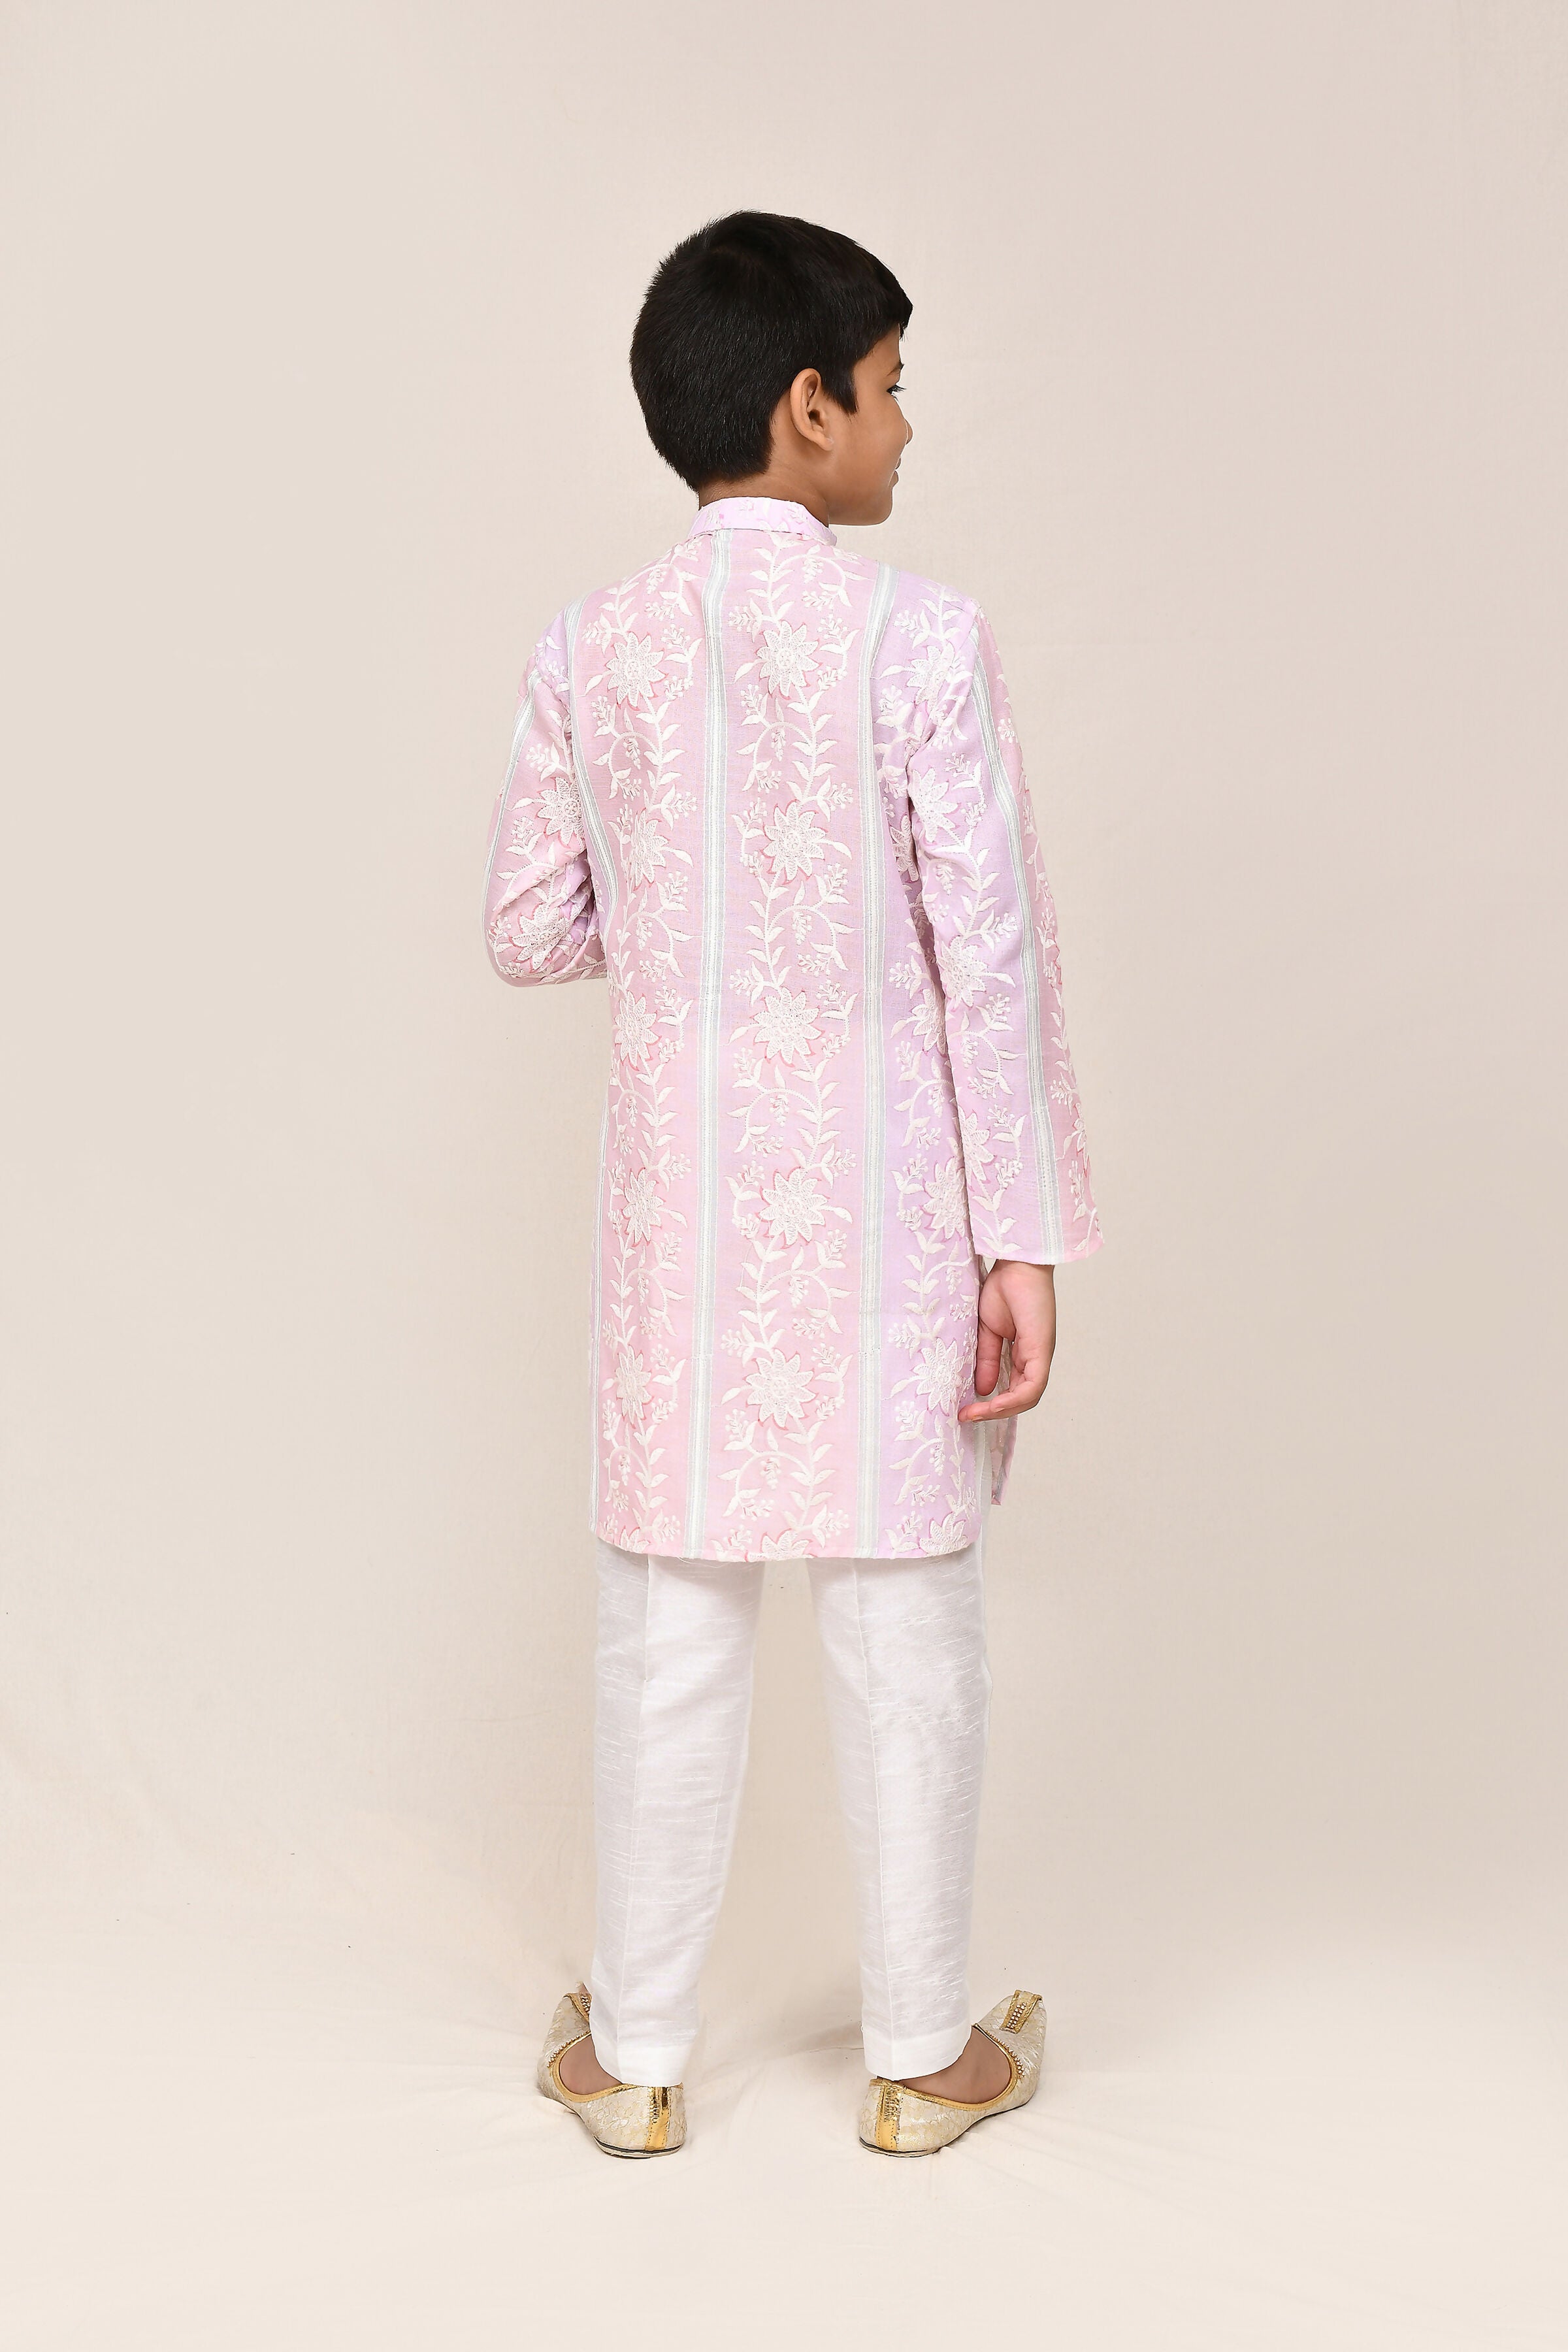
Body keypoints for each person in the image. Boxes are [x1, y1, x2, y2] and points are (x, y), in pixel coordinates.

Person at [483, 212, 1099, 2158]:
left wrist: (686, 937)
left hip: (681, 1222)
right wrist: (1024, 1236)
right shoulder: (921, 638)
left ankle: (636, 2059)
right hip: (897, 1211)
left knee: (668, 1620)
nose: (910, 424)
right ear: (808, 403)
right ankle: (919, 2060)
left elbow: (526, 926)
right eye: (894, 386)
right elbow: (989, 958)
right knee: (908, 1621)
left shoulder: (590, 647)